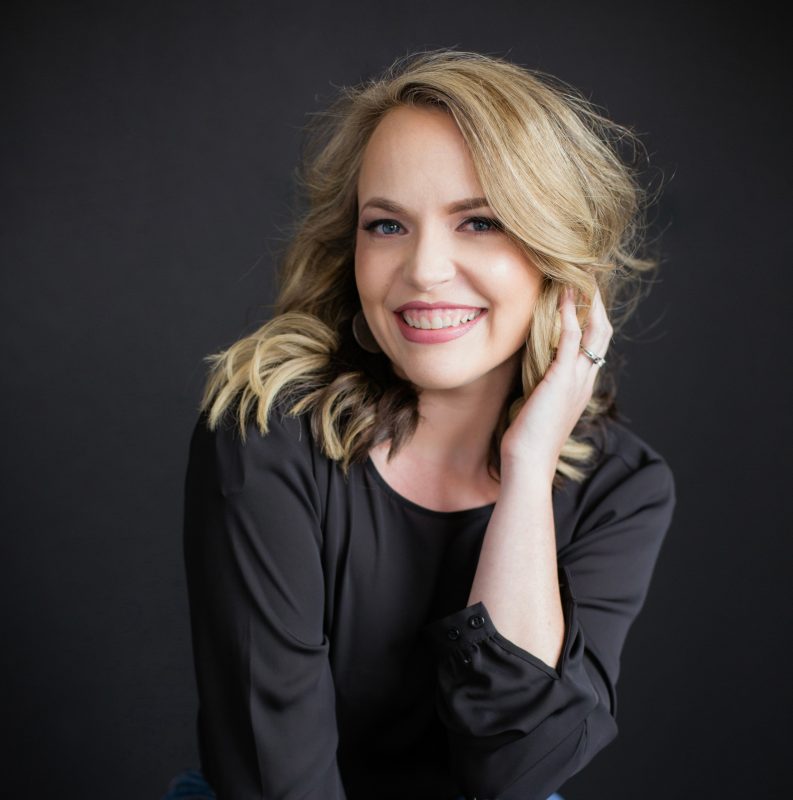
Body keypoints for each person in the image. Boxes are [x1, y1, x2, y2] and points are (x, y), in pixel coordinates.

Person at [170, 50, 676, 800]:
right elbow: (275, 774)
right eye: (386, 226)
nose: (424, 269)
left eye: (478, 221)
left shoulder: (621, 486)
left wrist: (527, 469)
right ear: (352, 253)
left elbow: (516, 771)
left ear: (557, 257)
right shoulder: (269, 434)